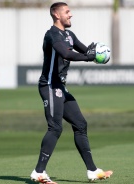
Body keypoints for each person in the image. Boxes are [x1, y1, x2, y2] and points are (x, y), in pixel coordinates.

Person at [30, 2, 113, 184]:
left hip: (60, 86)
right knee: (55, 127)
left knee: (80, 124)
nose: (71, 15)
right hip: (50, 85)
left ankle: (92, 171)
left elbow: (84, 51)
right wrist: (91, 57)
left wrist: (97, 53)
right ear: (56, 14)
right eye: (67, 12)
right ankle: (39, 172)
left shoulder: (69, 34)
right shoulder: (52, 35)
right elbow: (67, 54)